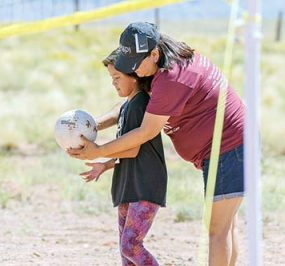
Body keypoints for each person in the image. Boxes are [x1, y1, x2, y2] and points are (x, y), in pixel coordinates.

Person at [69, 22, 244, 265]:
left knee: (217, 230)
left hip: (229, 147)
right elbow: (131, 102)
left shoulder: (174, 76)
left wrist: (98, 151)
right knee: (224, 227)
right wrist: (92, 126)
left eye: (136, 65)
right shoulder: (155, 66)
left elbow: (146, 131)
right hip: (218, 150)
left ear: (154, 53)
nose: (135, 72)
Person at [78, 49, 167, 266]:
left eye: (117, 78)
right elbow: (128, 150)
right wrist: (106, 165)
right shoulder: (128, 105)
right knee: (125, 252)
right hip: (128, 185)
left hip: (144, 186)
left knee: (130, 246)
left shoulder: (140, 104)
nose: (113, 83)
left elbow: (133, 150)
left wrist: (99, 150)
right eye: (111, 79)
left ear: (134, 75)